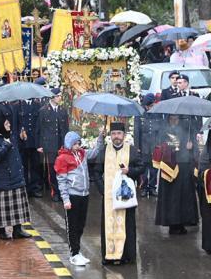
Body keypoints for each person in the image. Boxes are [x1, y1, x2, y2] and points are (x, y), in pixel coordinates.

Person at [89, 122, 143, 265]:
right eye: (113, 134)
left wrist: (129, 171)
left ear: (124, 135)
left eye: (119, 134)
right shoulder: (104, 151)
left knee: (127, 225)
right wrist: (102, 190)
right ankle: (109, 255)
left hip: (125, 197)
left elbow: (141, 167)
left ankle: (125, 256)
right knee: (108, 225)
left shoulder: (131, 150)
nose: (116, 137)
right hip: (109, 198)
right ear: (110, 136)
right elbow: (96, 172)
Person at [55, 131, 103, 266]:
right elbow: (61, 181)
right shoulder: (62, 159)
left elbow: (95, 152)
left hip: (84, 194)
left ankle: (77, 250)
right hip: (72, 195)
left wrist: (100, 138)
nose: (78, 146)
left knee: (81, 225)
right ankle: (74, 253)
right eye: (75, 144)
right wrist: (65, 199)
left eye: (79, 143)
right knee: (72, 226)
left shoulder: (82, 154)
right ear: (69, 144)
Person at [0, 116, 31, 240]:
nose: (9, 125)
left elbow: (16, 150)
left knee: (17, 206)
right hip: (2, 179)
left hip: (15, 176)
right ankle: (2, 232)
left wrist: (22, 139)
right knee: (2, 208)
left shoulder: (10, 135)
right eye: (6, 124)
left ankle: (18, 230)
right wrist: (5, 144)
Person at [156, 115, 199, 235]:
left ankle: (182, 222)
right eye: (172, 119)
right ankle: (172, 224)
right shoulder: (164, 130)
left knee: (183, 198)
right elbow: (160, 146)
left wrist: (190, 147)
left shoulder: (187, 129)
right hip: (170, 167)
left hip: (184, 166)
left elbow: (193, 147)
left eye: (176, 119)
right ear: (168, 119)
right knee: (172, 199)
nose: (174, 121)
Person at [36, 88, 69, 202]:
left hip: (61, 144)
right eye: (58, 96)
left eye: (60, 96)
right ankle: (54, 192)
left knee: (62, 169)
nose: (60, 98)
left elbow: (66, 128)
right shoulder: (43, 110)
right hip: (49, 144)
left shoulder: (62, 110)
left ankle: (63, 191)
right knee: (52, 169)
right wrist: (39, 145)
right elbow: (39, 129)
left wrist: (67, 143)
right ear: (52, 97)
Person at [134, 93, 159, 198]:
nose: (150, 107)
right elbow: (137, 131)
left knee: (154, 169)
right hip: (143, 145)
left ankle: (152, 188)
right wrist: (137, 147)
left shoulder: (157, 113)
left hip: (154, 145)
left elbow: (159, 130)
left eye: (152, 105)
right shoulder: (139, 114)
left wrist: (159, 145)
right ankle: (144, 188)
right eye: (149, 105)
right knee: (144, 169)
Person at [18, 98, 43, 198]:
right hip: (23, 141)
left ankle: (35, 188)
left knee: (35, 165)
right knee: (23, 166)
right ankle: (24, 188)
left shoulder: (38, 105)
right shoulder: (18, 105)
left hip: (34, 141)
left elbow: (40, 124)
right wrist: (20, 129)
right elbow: (16, 121)